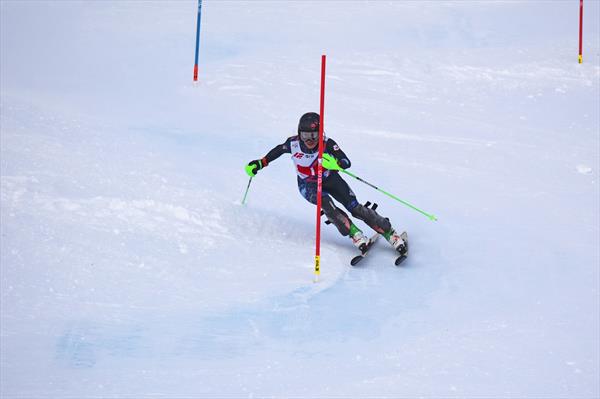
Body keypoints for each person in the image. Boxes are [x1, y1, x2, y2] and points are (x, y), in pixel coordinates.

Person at [245, 112, 406, 254]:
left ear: (320, 133)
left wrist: (336, 163)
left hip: (331, 179)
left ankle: (390, 233)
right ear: (299, 134)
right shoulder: (293, 143)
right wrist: (261, 163)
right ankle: (355, 234)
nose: (309, 140)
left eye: (314, 136)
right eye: (305, 136)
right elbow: (278, 150)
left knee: (355, 208)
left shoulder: (327, 143)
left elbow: (346, 161)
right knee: (327, 203)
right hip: (308, 186)